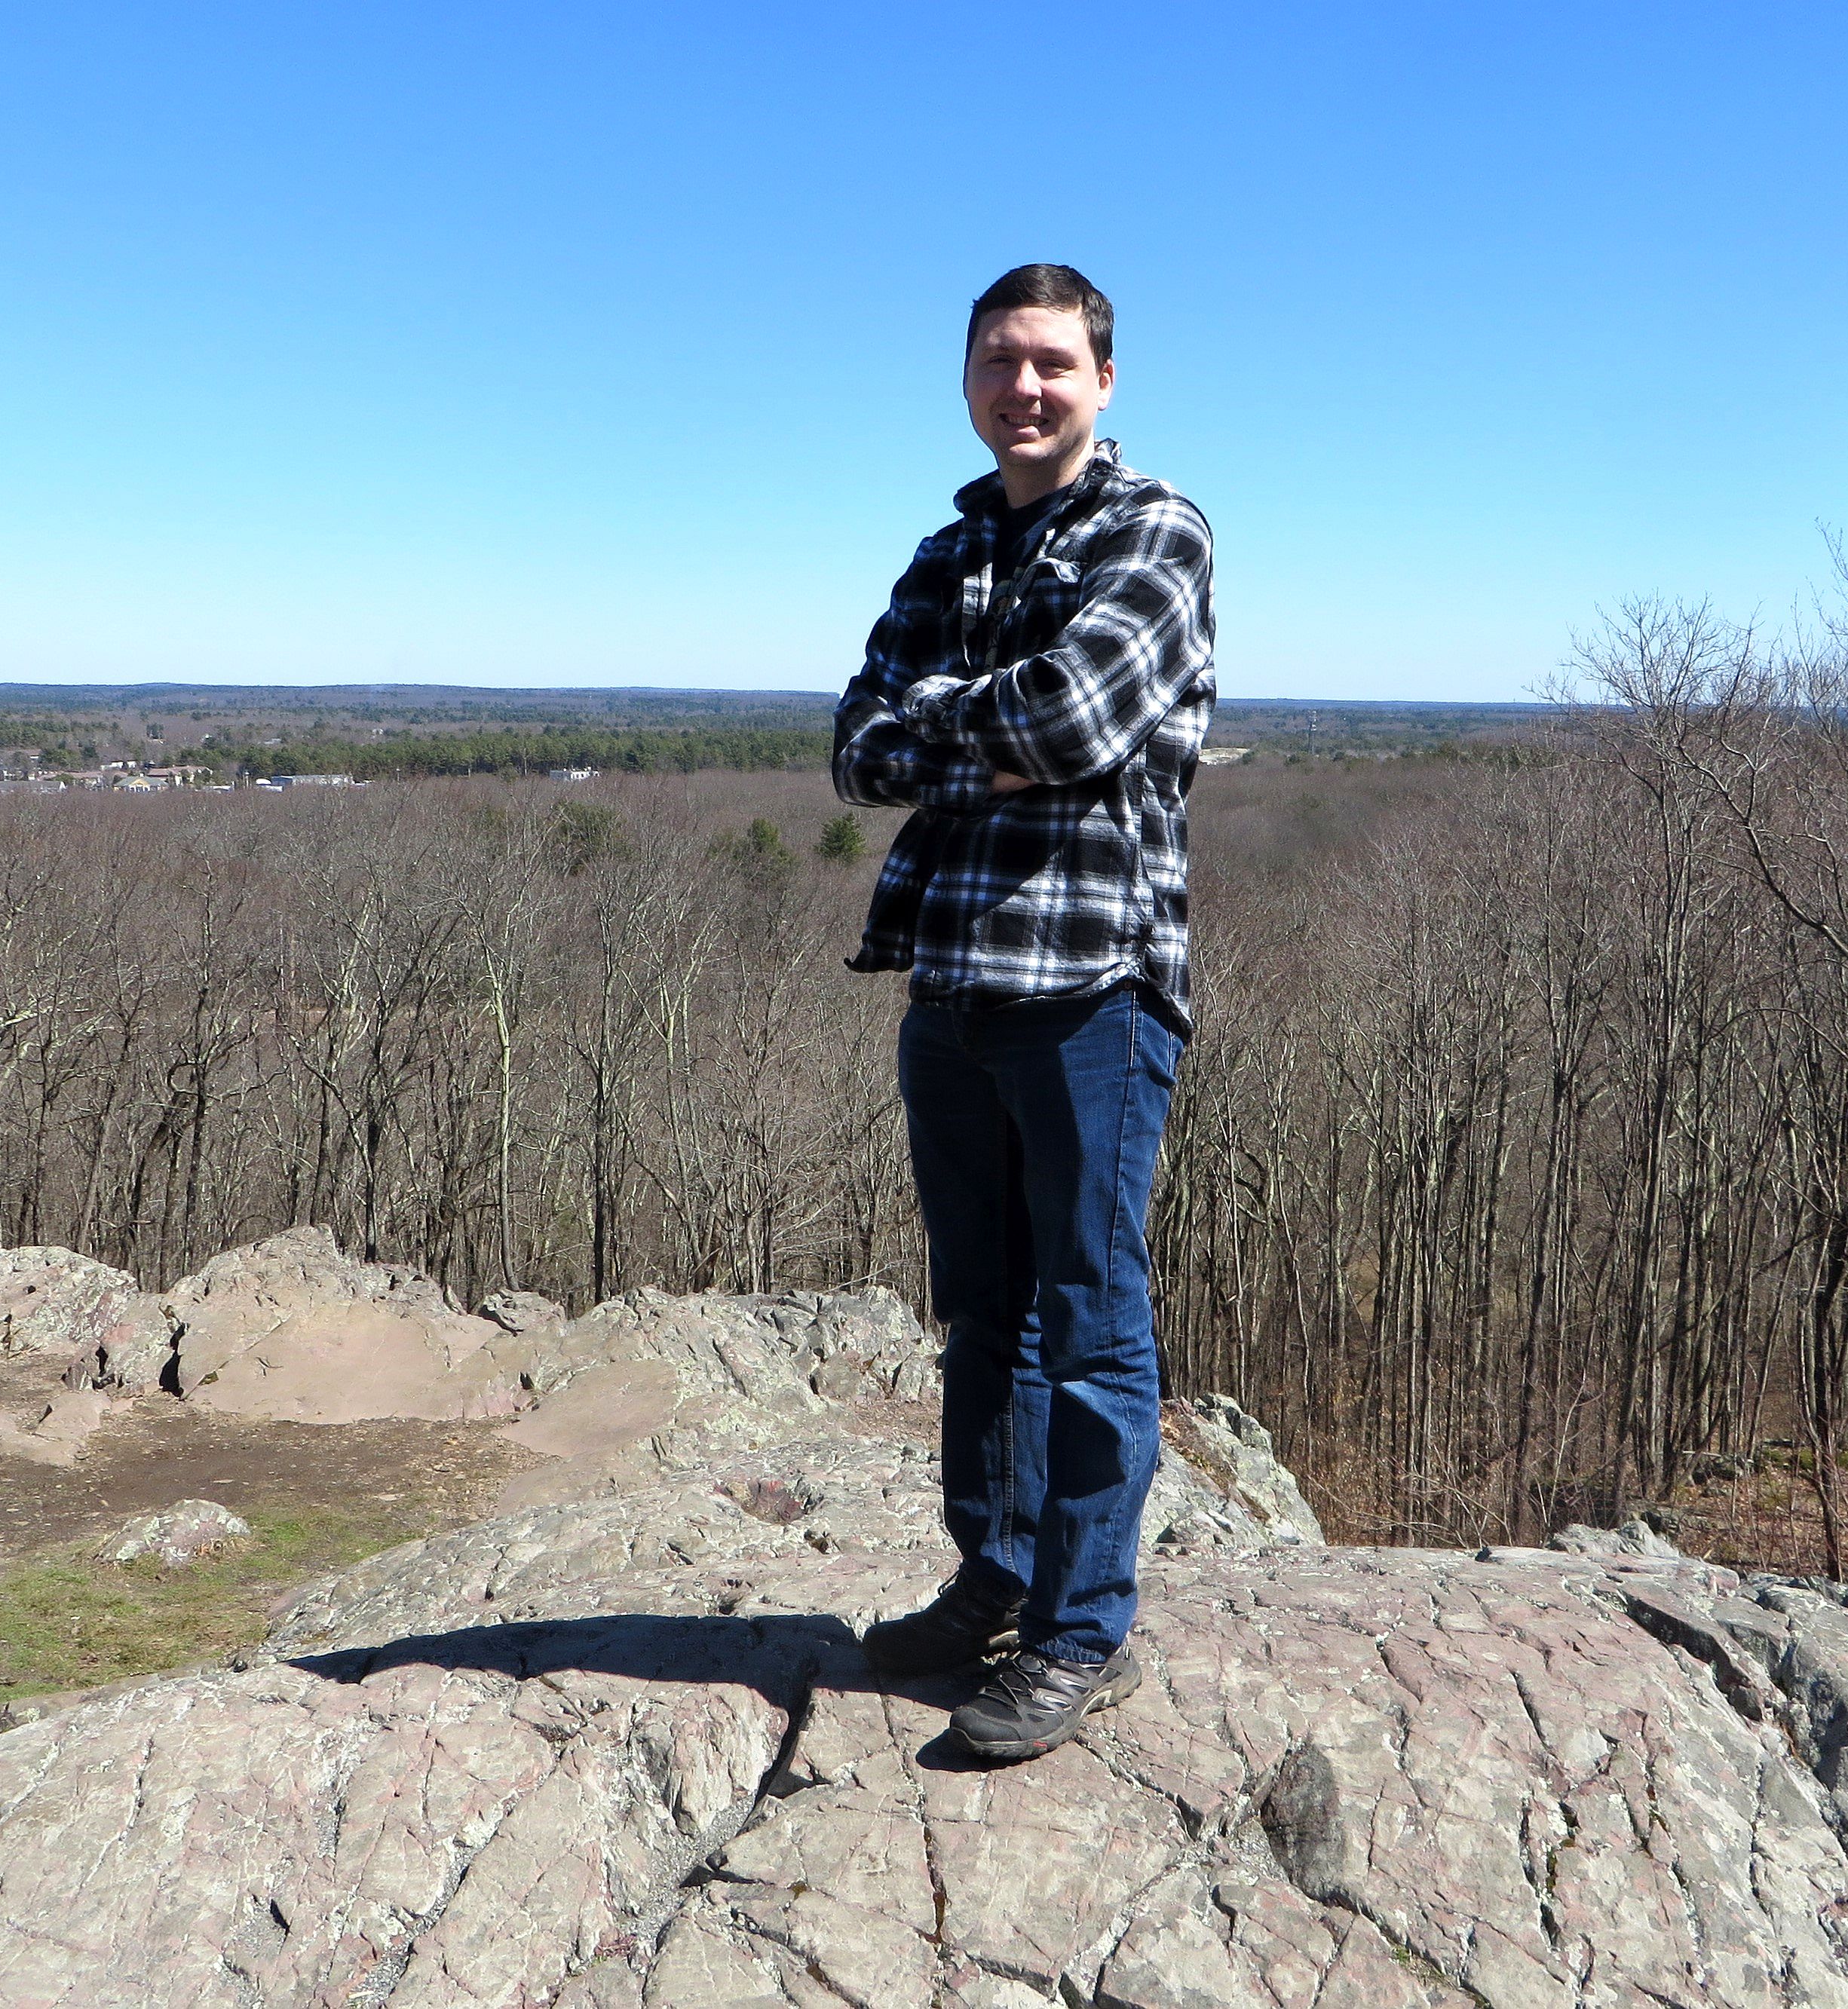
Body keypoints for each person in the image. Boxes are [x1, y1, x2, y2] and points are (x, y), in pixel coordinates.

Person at [830, 262, 1215, 1762]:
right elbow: (857, 747)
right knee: (985, 1312)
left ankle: (1078, 1625)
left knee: (1089, 1316)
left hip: (1093, 991)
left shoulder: (1158, 532)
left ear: (1104, 379)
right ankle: (993, 1577)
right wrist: (976, 736)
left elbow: (1072, 719)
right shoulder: (948, 552)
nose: (1026, 386)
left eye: (1053, 361)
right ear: (969, 380)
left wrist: (953, 723)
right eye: (1000, 360)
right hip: (950, 988)